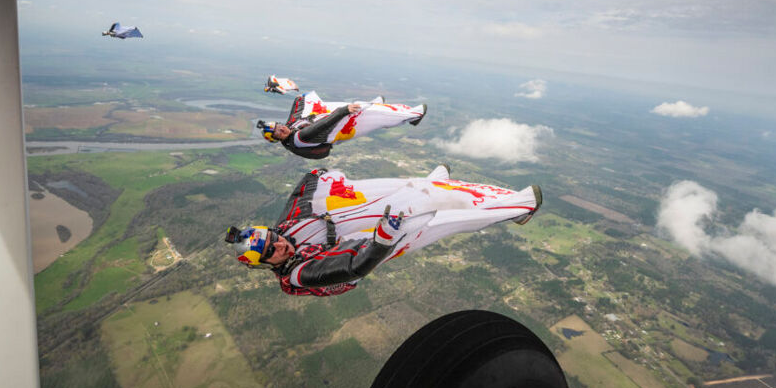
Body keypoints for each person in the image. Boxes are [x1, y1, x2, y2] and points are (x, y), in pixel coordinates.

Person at [225, 166, 542, 296]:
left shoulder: (287, 231)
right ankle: (516, 207)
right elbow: (351, 265)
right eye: (270, 251)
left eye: (273, 237)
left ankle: (430, 184)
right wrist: (382, 240)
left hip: (347, 237)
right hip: (363, 253)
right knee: (431, 220)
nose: (279, 244)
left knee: (395, 196)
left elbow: (301, 194)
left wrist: (321, 178)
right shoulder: (297, 275)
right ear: (265, 264)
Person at [257, 90, 425, 159]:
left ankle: (370, 105)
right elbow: (322, 125)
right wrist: (344, 110)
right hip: (336, 131)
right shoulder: (299, 138)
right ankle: (412, 116)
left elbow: (299, 106)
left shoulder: (290, 131)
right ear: (277, 139)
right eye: (278, 132)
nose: (281, 129)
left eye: (279, 126)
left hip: (330, 127)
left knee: (315, 105)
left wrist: (282, 88)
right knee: (369, 114)